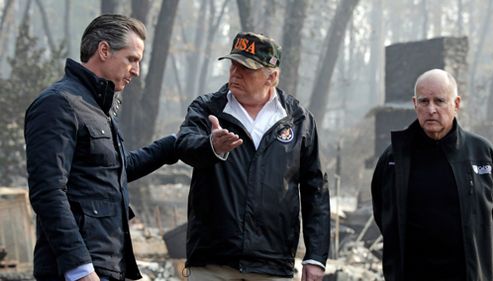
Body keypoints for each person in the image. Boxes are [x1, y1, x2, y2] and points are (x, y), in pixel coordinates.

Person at [24, 14, 177, 281]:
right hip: (76, 272)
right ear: (104, 50)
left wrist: (175, 144)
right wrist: (80, 269)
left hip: (106, 265)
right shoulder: (58, 104)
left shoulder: (97, 108)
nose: (137, 71)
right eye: (132, 59)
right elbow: (47, 191)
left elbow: (116, 170)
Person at [175, 32, 330, 281]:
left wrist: (316, 256)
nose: (235, 73)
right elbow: (184, 146)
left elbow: (316, 191)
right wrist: (210, 146)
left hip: (272, 262)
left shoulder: (299, 120)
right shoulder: (208, 108)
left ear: (272, 76)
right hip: (212, 261)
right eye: (233, 65)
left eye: (246, 68)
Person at [371, 68, 493, 281]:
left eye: (439, 101)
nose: (431, 109)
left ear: (456, 104)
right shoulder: (394, 158)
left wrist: (479, 250)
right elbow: (383, 214)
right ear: (414, 104)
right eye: (424, 101)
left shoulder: (482, 154)